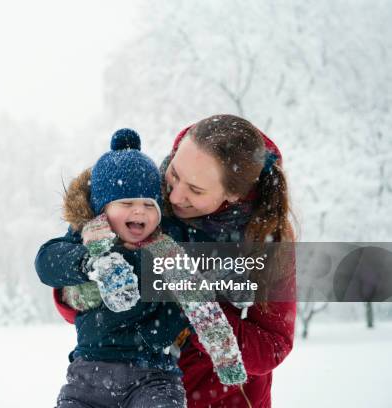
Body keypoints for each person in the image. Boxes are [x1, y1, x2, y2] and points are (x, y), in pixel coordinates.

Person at [42, 115, 297, 408]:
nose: (174, 196)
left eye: (195, 190)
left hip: (219, 397)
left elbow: (272, 345)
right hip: (122, 385)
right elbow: (68, 271)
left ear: (233, 194)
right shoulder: (143, 194)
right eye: (175, 173)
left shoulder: (267, 240)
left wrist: (194, 307)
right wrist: (86, 290)